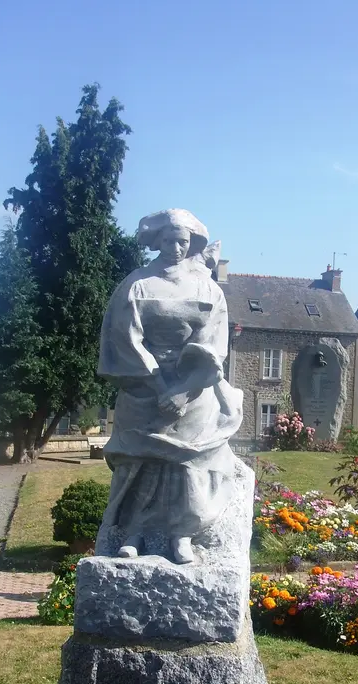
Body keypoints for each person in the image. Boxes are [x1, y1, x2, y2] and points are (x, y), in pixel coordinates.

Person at [96, 209, 243, 564]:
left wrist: (182, 391)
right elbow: (125, 338)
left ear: (191, 243)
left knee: (186, 465)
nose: (175, 248)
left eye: (183, 241)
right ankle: (133, 533)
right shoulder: (137, 283)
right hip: (142, 385)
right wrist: (159, 385)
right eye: (168, 240)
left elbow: (213, 346)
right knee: (140, 462)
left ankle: (182, 535)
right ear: (157, 241)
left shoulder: (208, 288)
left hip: (194, 387)